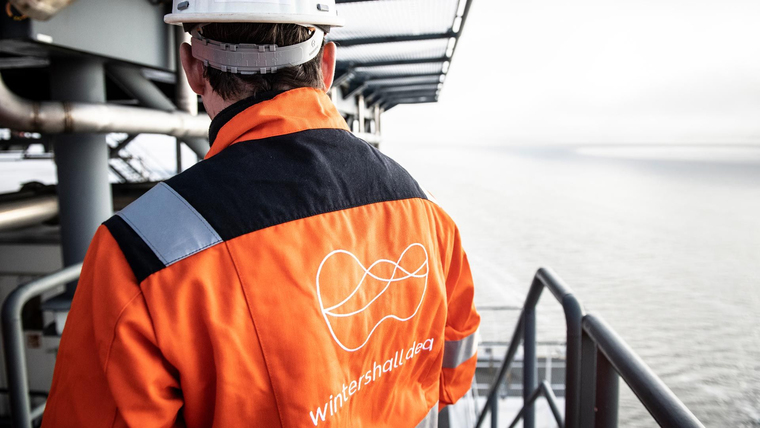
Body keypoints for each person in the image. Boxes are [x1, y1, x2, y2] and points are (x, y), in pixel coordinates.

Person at [42, 1, 480, 426]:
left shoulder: (138, 252)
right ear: (327, 64)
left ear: (192, 69)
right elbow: (453, 375)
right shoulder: (426, 212)